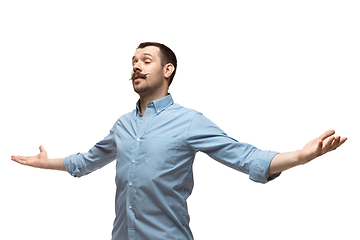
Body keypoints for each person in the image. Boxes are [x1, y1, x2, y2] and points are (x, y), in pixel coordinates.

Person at [11, 42, 347, 240]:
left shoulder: (189, 121)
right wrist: (45, 162)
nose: (136, 68)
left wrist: (300, 157)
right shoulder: (123, 125)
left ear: (168, 70)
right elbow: (85, 161)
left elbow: (246, 157)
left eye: (145, 61)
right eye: (132, 63)